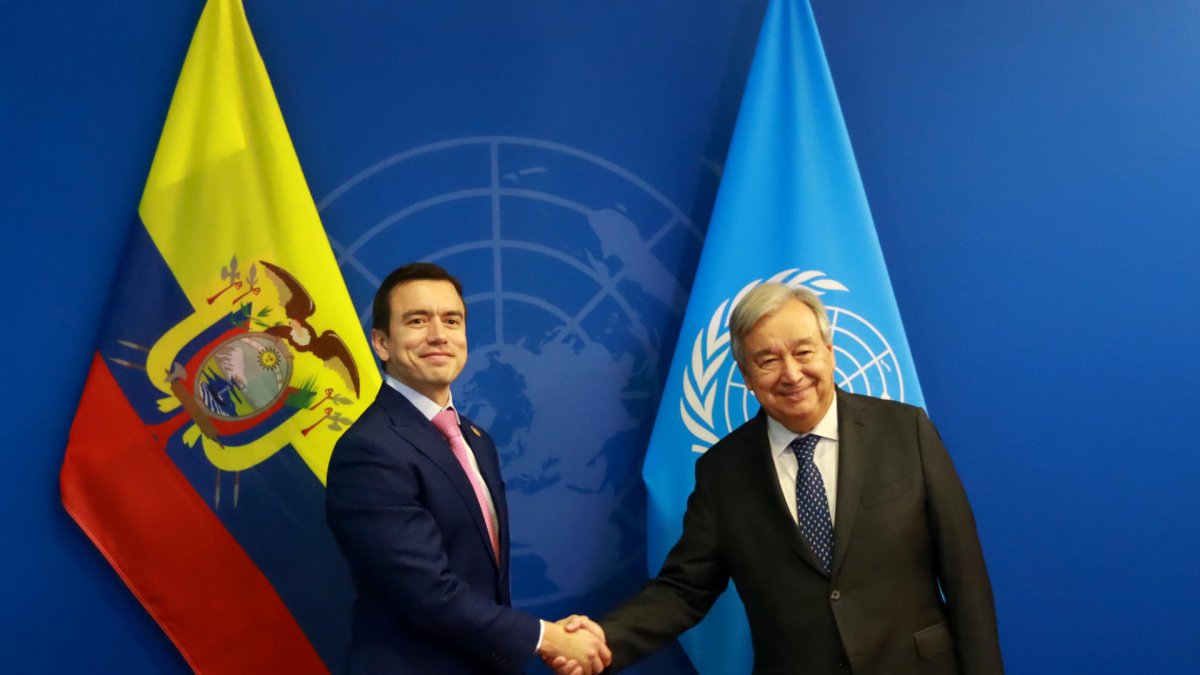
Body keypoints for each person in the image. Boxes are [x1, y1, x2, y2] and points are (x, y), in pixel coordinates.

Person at [559, 282, 1002, 674]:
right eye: (768, 360)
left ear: (829, 353)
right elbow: (684, 588)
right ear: (747, 376)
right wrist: (604, 640)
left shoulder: (906, 431)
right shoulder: (722, 471)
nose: (791, 374)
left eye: (804, 352)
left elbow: (965, 576)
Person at [326, 262, 610, 674]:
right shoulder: (369, 450)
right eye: (417, 320)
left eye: (452, 320)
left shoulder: (476, 440)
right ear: (382, 343)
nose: (438, 335)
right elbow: (428, 593)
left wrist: (547, 637)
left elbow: (481, 585)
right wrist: (545, 637)